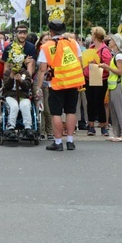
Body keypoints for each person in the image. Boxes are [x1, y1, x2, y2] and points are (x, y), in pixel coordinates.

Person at [36, 15, 84, 152]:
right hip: (73, 82)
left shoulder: (46, 46)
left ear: (50, 32)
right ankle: (70, 140)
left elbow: (42, 69)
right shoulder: (73, 43)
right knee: (70, 111)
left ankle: (58, 142)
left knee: (56, 113)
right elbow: (80, 63)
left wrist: (39, 87)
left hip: (56, 83)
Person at [101, 34, 122, 142]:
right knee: (115, 110)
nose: (109, 42)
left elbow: (119, 71)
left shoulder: (119, 56)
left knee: (120, 110)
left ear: (116, 42)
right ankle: (119, 133)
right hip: (114, 85)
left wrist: (107, 67)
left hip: (118, 85)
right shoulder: (117, 55)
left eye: (111, 40)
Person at [84, 26, 111, 137]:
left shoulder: (104, 50)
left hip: (100, 78)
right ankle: (90, 125)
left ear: (95, 36)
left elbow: (108, 65)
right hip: (89, 77)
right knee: (90, 102)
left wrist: (97, 64)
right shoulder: (91, 47)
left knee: (99, 102)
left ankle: (103, 125)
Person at [1, 62, 34, 139]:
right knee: (14, 106)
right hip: (10, 95)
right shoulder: (7, 73)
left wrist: (21, 81)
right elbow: (6, 86)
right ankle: (10, 127)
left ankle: (28, 127)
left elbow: (28, 86)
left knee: (25, 105)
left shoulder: (25, 72)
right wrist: (11, 78)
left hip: (23, 96)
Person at [34, 33, 54, 140]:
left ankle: (49, 131)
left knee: (47, 108)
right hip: (37, 81)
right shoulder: (37, 52)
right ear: (41, 41)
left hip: (48, 81)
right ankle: (40, 131)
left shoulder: (53, 51)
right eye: (45, 39)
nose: (47, 41)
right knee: (39, 106)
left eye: (49, 39)